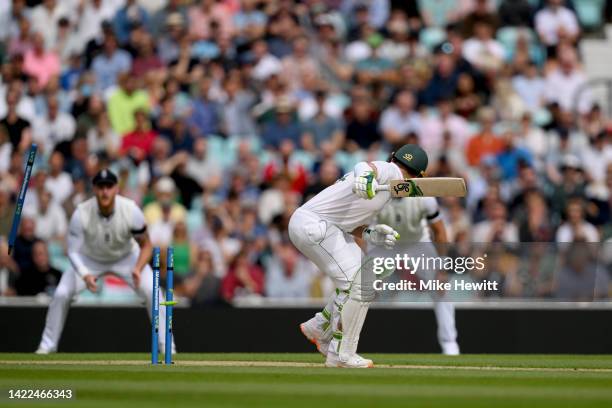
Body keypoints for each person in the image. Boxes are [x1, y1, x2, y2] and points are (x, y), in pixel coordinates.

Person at [290, 144, 427, 368]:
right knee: (360, 284)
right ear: (417, 177)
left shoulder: (384, 191)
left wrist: (371, 234)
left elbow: (350, 225)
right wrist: (364, 175)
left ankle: (321, 325)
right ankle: (342, 354)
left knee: (365, 282)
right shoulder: (389, 171)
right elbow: (365, 165)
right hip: (315, 225)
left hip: (321, 225)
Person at [36, 169, 176, 354]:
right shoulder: (82, 212)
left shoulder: (131, 210)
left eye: (109, 187)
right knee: (61, 293)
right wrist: (85, 274)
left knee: (153, 291)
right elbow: (72, 250)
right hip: (90, 259)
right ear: (94, 189)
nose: (105, 192)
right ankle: (47, 347)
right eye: (101, 187)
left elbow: (147, 245)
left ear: (116, 189)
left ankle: (167, 347)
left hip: (126, 258)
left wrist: (138, 267)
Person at [376, 195, 460, 355]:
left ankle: (450, 345)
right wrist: (363, 263)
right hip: (385, 244)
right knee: (357, 287)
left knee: (440, 289)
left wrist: (441, 269)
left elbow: (440, 231)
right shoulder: (377, 197)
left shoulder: (426, 199)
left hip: (417, 244)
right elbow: (363, 230)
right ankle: (337, 336)